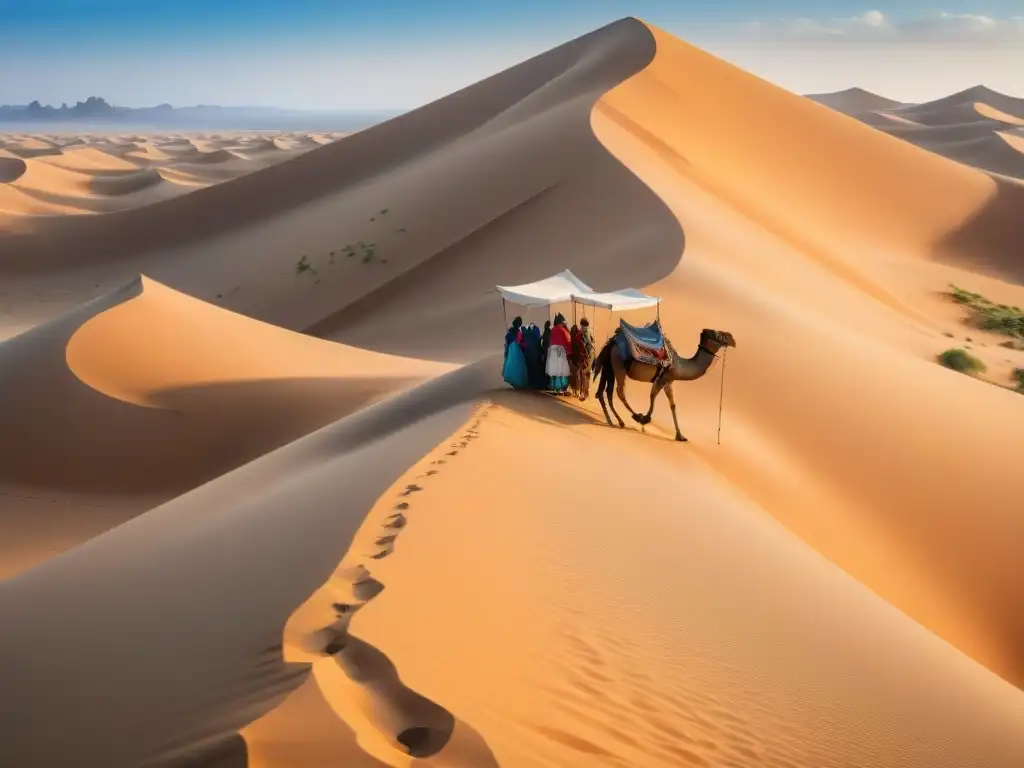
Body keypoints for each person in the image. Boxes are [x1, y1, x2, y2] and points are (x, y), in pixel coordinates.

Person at [546, 313, 572, 393]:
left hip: (552, 351)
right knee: (562, 370)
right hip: (561, 351)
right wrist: (570, 351)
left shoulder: (553, 329)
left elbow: (550, 341)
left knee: (554, 369)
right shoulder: (563, 330)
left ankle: (554, 386)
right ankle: (561, 387)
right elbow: (568, 341)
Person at [502, 317, 528, 388]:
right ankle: (518, 381)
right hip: (516, 347)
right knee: (519, 364)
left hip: (510, 348)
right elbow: (519, 341)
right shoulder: (518, 332)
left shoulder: (510, 331)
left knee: (511, 363)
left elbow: (507, 339)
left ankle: (512, 381)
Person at [574, 317, 595, 401]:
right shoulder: (587, 332)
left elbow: (577, 343)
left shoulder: (582, 333)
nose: (584, 327)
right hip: (587, 356)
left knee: (584, 375)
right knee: (585, 375)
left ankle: (583, 393)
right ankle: (584, 392)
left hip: (586, 356)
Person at [523, 322, 546, 389]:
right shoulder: (535, 330)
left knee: (531, 368)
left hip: (529, 353)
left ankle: (531, 382)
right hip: (535, 353)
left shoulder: (526, 332)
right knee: (535, 368)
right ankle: (534, 382)